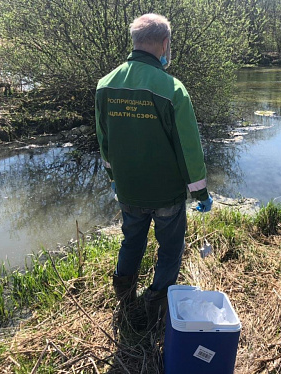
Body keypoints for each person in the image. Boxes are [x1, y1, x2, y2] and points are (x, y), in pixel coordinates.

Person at [95, 13, 213, 330]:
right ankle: (156, 303)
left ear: (135, 42)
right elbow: (189, 148)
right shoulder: (172, 90)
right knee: (171, 247)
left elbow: (104, 143)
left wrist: (114, 179)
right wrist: (200, 192)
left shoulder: (105, 86)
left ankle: (124, 296)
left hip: (129, 190)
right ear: (164, 44)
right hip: (166, 194)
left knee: (131, 240)